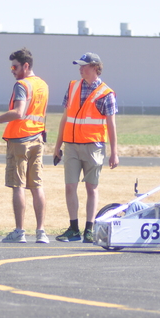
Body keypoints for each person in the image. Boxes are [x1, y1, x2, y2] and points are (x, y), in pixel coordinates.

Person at [0, 48, 50, 243]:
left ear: (26, 66)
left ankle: (19, 231)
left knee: (18, 185)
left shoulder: (22, 85)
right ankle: (41, 232)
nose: (12, 70)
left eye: (15, 66)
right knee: (36, 185)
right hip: (37, 138)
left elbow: (18, 112)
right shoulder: (42, 84)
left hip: (20, 140)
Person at [53, 52, 119, 243]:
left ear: (95, 67)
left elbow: (112, 125)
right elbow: (65, 118)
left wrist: (114, 153)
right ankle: (73, 228)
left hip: (94, 146)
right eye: (79, 66)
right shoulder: (73, 86)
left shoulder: (107, 93)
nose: (80, 69)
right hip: (71, 145)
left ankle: (89, 229)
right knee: (70, 186)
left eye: (84, 66)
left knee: (92, 188)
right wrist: (57, 145)